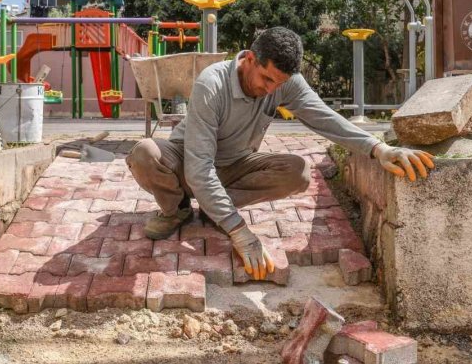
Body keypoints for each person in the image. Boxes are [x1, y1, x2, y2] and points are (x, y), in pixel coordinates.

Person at [126, 27, 434, 281]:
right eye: (266, 79)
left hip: (235, 165)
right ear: (248, 59)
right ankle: (176, 209)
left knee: (297, 172)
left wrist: (378, 149)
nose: (272, 90)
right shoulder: (212, 84)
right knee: (144, 152)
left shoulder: (284, 83)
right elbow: (199, 168)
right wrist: (240, 233)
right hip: (188, 160)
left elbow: (324, 118)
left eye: (280, 84)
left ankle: (213, 209)